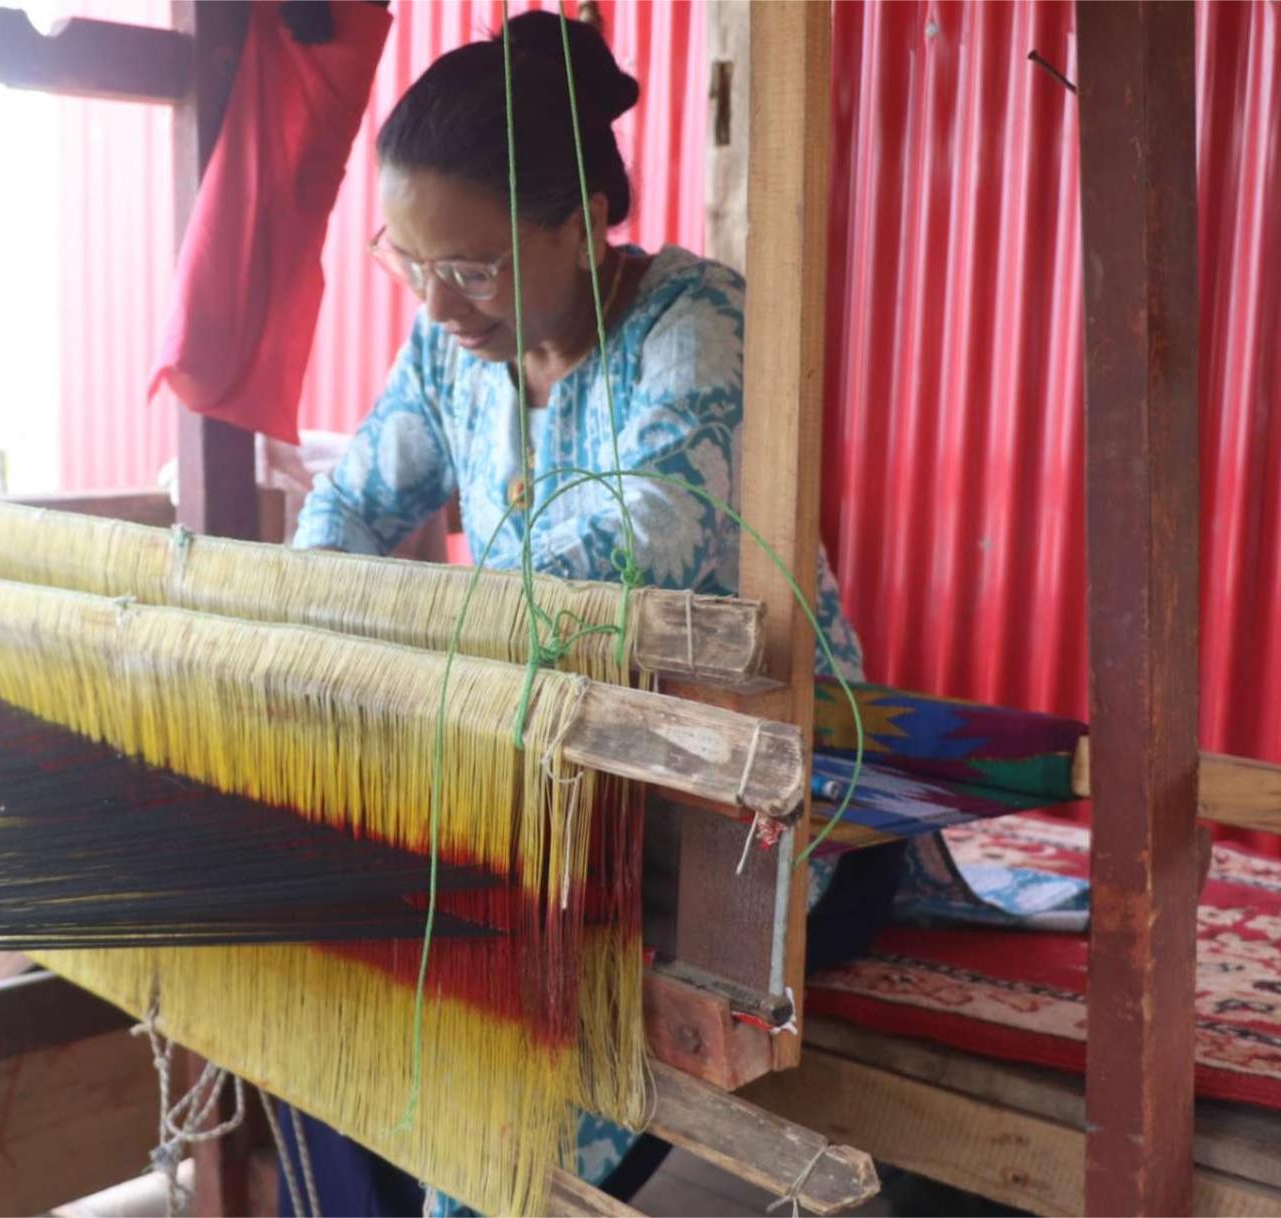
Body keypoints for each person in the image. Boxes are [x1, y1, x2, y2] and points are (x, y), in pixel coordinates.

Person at [285, 12, 909, 1214]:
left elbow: (630, 552)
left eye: (473, 267)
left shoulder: (695, 326)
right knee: (328, 955)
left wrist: (419, 643)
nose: (439, 302)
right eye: (408, 262)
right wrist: (304, 620)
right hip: (557, 796)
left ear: (579, 225)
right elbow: (352, 506)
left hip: (747, 823)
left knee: (479, 1001)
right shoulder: (453, 350)